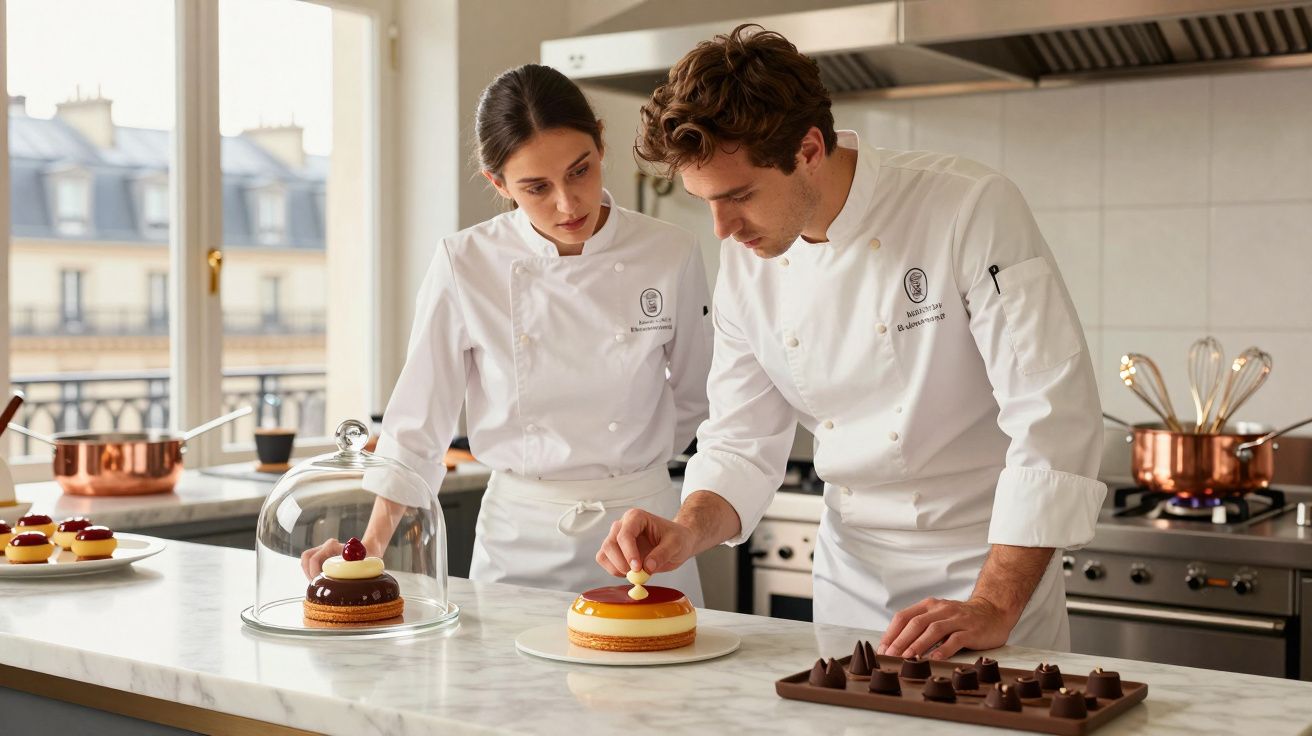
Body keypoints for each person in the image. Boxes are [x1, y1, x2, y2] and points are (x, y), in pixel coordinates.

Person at [596, 25, 1106, 655]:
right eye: (706, 202)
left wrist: (993, 603)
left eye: (740, 196)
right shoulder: (750, 263)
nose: (723, 229)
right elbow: (741, 440)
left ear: (809, 149)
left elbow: (1054, 414)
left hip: (988, 574)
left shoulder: (968, 207)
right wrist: (686, 527)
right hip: (851, 583)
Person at [303, 64, 712, 602]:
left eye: (581, 171)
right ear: (499, 183)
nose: (568, 204)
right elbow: (420, 421)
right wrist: (368, 549)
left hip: (644, 536)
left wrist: (635, 476)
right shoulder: (466, 262)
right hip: (522, 542)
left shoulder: (670, 251)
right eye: (537, 187)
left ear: (601, 145)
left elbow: (696, 396)